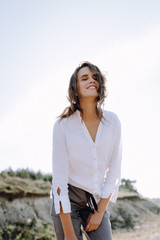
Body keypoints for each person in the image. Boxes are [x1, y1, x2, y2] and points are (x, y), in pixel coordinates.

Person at [51, 61, 122, 240]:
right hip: (68, 199)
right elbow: (59, 180)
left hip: (95, 199)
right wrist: (69, 234)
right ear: (75, 89)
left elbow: (114, 169)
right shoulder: (63, 125)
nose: (92, 80)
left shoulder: (113, 122)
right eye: (85, 78)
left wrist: (100, 212)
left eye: (95, 77)